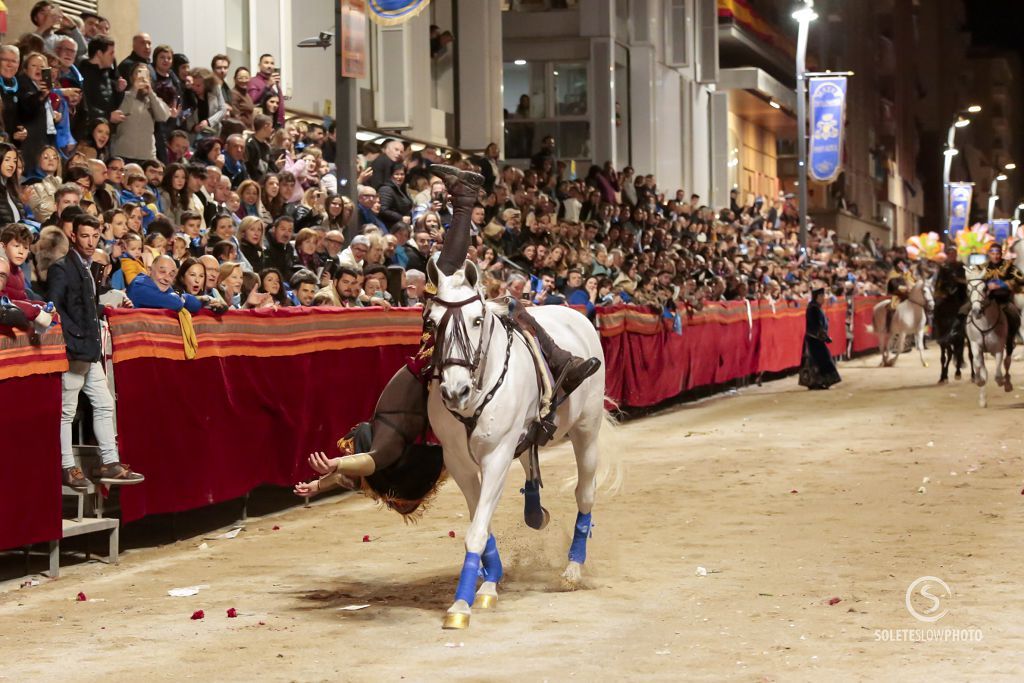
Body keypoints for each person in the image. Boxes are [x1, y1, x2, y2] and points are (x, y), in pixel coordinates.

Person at [295, 165, 600, 493]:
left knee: (499, 303)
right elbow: (373, 459)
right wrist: (329, 473)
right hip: (437, 360)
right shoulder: (391, 416)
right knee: (505, 305)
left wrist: (325, 476)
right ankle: (557, 361)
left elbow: (372, 459)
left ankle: (466, 199)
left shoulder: (394, 414)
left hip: (435, 360)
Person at [48, 214, 144, 489]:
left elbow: (85, 309)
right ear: (74, 236)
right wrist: (76, 340)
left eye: (94, 236)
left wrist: (107, 310)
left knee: (103, 403)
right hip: (76, 351)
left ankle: (110, 463)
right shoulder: (62, 267)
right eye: (85, 236)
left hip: (88, 350)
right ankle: (67, 466)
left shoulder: (86, 267)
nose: (90, 242)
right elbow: (55, 307)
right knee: (67, 412)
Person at [979, 242, 1024, 354]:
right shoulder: (982, 267)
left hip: (1004, 301)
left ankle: (1012, 337)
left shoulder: (1010, 266)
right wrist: (986, 285)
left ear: (1001, 254)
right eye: (993, 253)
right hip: (986, 301)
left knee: (1014, 315)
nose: (995, 256)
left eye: (997, 253)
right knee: (966, 311)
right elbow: (973, 280)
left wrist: (1002, 284)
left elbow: (1022, 279)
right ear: (989, 254)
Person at [799, 287, 841, 390]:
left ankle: (818, 382)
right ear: (817, 297)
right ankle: (818, 382)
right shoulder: (813, 308)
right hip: (814, 339)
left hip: (816, 339)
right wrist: (824, 337)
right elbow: (816, 325)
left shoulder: (816, 307)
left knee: (817, 361)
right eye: (822, 296)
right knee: (820, 360)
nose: (823, 298)